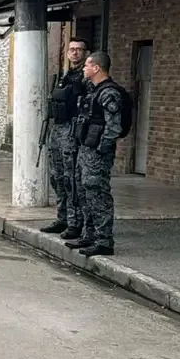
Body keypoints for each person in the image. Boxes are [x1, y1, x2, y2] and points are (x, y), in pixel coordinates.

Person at [67, 51, 125, 257]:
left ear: (97, 68)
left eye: (87, 65)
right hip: (85, 149)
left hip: (97, 153)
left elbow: (114, 127)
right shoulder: (93, 90)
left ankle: (104, 240)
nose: (84, 68)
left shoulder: (109, 93)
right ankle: (89, 234)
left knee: (98, 194)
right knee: (83, 192)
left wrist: (102, 149)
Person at [40, 37, 88, 238]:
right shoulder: (64, 76)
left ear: (85, 53)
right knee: (57, 177)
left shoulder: (86, 79)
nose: (75, 53)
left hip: (71, 131)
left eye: (79, 49)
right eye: (72, 50)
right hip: (57, 130)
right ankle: (63, 218)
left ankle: (75, 222)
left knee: (71, 180)